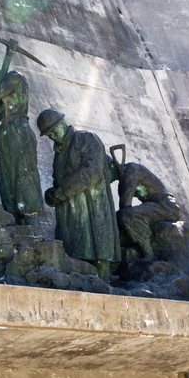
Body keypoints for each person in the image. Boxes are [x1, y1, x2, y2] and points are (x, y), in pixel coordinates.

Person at [37, 109, 121, 280]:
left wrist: (62, 192)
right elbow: (57, 182)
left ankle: (104, 289)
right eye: (49, 134)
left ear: (62, 123)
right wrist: (51, 195)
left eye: (53, 130)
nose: (52, 136)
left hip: (94, 209)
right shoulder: (59, 155)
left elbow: (92, 171)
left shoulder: (85, 138)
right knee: (74, 255)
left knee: (99, 254)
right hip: (71, 216)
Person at [0, 57, 44, 225]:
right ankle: (16, 221)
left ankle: (33, 225)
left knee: (24, 177)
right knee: (7, 182)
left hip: (18, 130)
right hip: (4, 136)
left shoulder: (13, 78)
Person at [117, 161, 181, 260]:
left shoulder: (132, 169)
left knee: (127, 215)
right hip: (156, 205)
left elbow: (125, 202)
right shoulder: (124, 177)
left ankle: (148, 252)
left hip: (165, 205)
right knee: (123, 216)